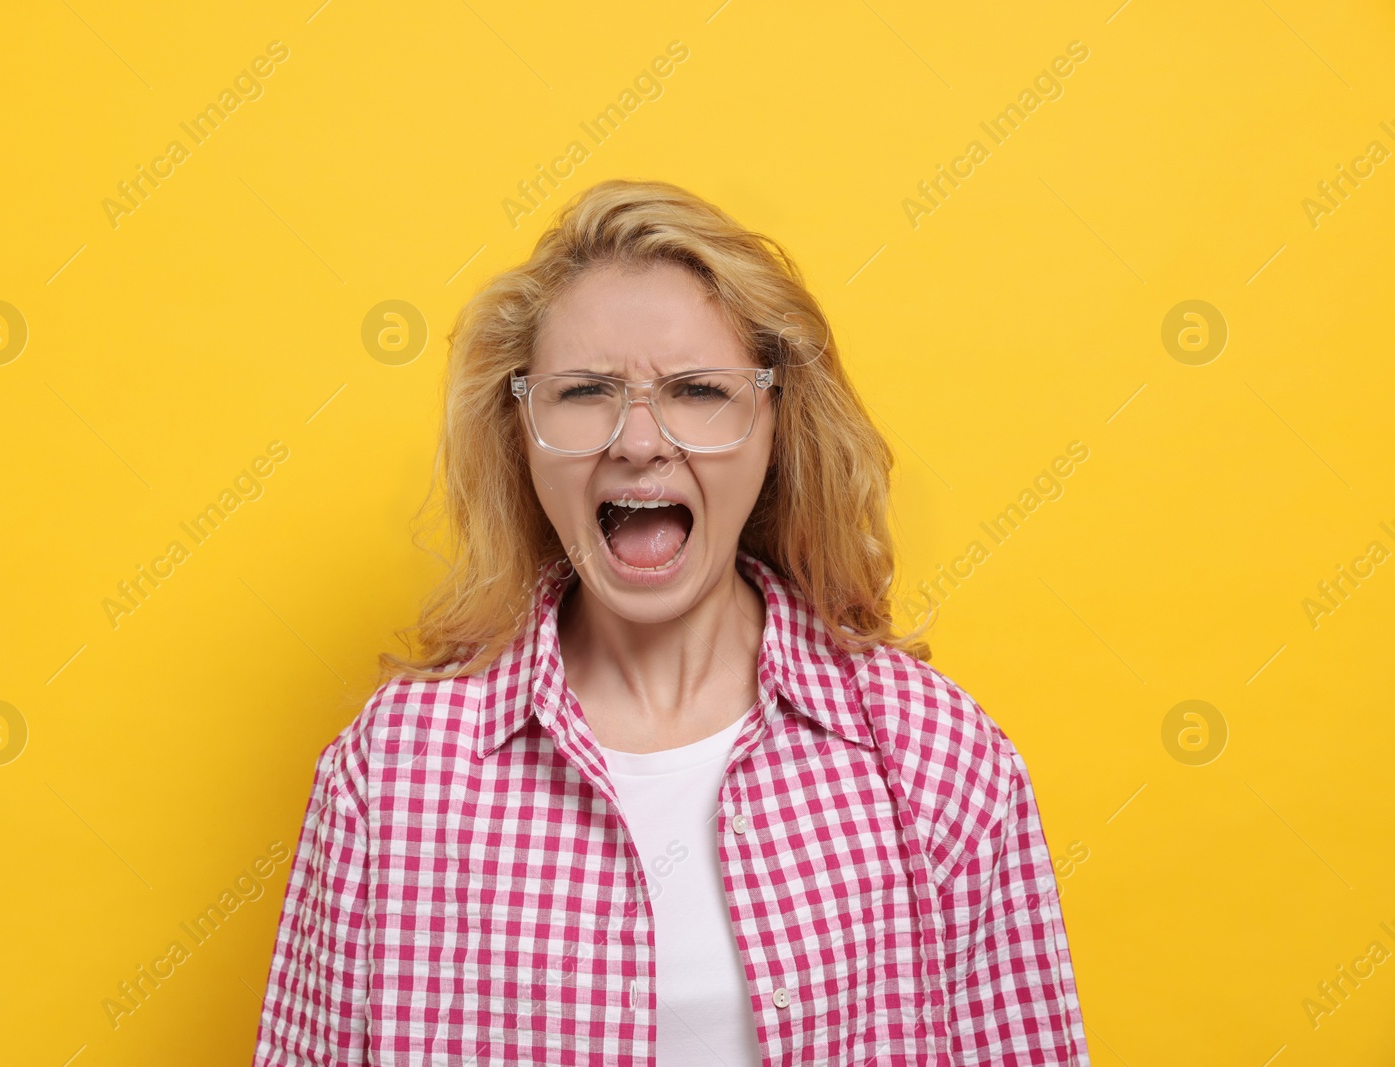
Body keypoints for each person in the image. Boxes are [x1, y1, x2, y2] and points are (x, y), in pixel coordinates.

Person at [252, 179, 1089, 1065]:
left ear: (774, 420)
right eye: (584, 391)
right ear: (523, 430)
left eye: (695, 389)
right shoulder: (390, 778)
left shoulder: (934, 756)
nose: (639, 441)